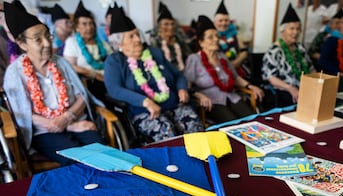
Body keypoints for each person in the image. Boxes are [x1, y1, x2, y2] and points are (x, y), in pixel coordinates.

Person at [3, 1, 104, 165]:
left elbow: (81, 95)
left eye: (47, 36)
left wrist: (68, 117)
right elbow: (23, 113)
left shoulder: (61, 62)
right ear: (22, 44)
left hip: (76, 119)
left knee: (102, 151)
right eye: (37, 39)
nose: (46, 43)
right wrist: (65, 125)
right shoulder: (14, 73)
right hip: (45, 131)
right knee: (75, 159)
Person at [104, 6, 203, 143]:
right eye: (131, 36)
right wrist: (145, 101)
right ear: (119, 42)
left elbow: (178, 75)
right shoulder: (115, 61)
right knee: (168, 134)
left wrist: (182, 88)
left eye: (137, 34)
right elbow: (114, 89)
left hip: (174, 105)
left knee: (194, 127)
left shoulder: (154, 52)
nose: (138, 39)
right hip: (145, 112)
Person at [184, 15, 263, 124]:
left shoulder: (222, 56)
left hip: (231, 96)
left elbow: (235, 77)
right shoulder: (194, 59)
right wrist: (199, 95)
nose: (216, 39)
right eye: (210, 37)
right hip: (211, 102)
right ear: (201, 42)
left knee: (254, 119)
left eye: (216, 36)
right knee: (233, 124)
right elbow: (187, 85)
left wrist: (250, 86)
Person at [261, 3, 314, 108]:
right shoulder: (274, 51)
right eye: (292, 28)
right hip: (283, 89)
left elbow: (311, 69)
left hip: (303, 87)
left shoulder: (300, 48)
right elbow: (271, 78)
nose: (296, 32)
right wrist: (290, 88)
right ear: (282, 31)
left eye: (298, 29)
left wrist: (317, 84)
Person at [63, 0, 112, 103]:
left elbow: (112, 60)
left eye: (91, 23)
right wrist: (95, 74)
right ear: (77, 27)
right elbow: (71, 66)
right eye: (84, 24)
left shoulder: (102, 43)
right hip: (89, 82)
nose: (89, 27)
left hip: (108, 78)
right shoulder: (72, 42)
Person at [149, 2, 192, 72]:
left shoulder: (178, 39)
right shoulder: (155, 41)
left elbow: (189, 56)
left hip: (183, 72)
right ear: (159, 27)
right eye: (166, 24)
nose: (170, 27)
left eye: (172, 24)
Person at [213, 0, 250, 79]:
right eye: (220, 20)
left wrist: (235, 63)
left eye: (226, 20)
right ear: (214, 22)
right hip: (219, 70)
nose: (223, 23)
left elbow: (245, 52)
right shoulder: (212, 37)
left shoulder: (235, 35)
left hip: (237, 68)